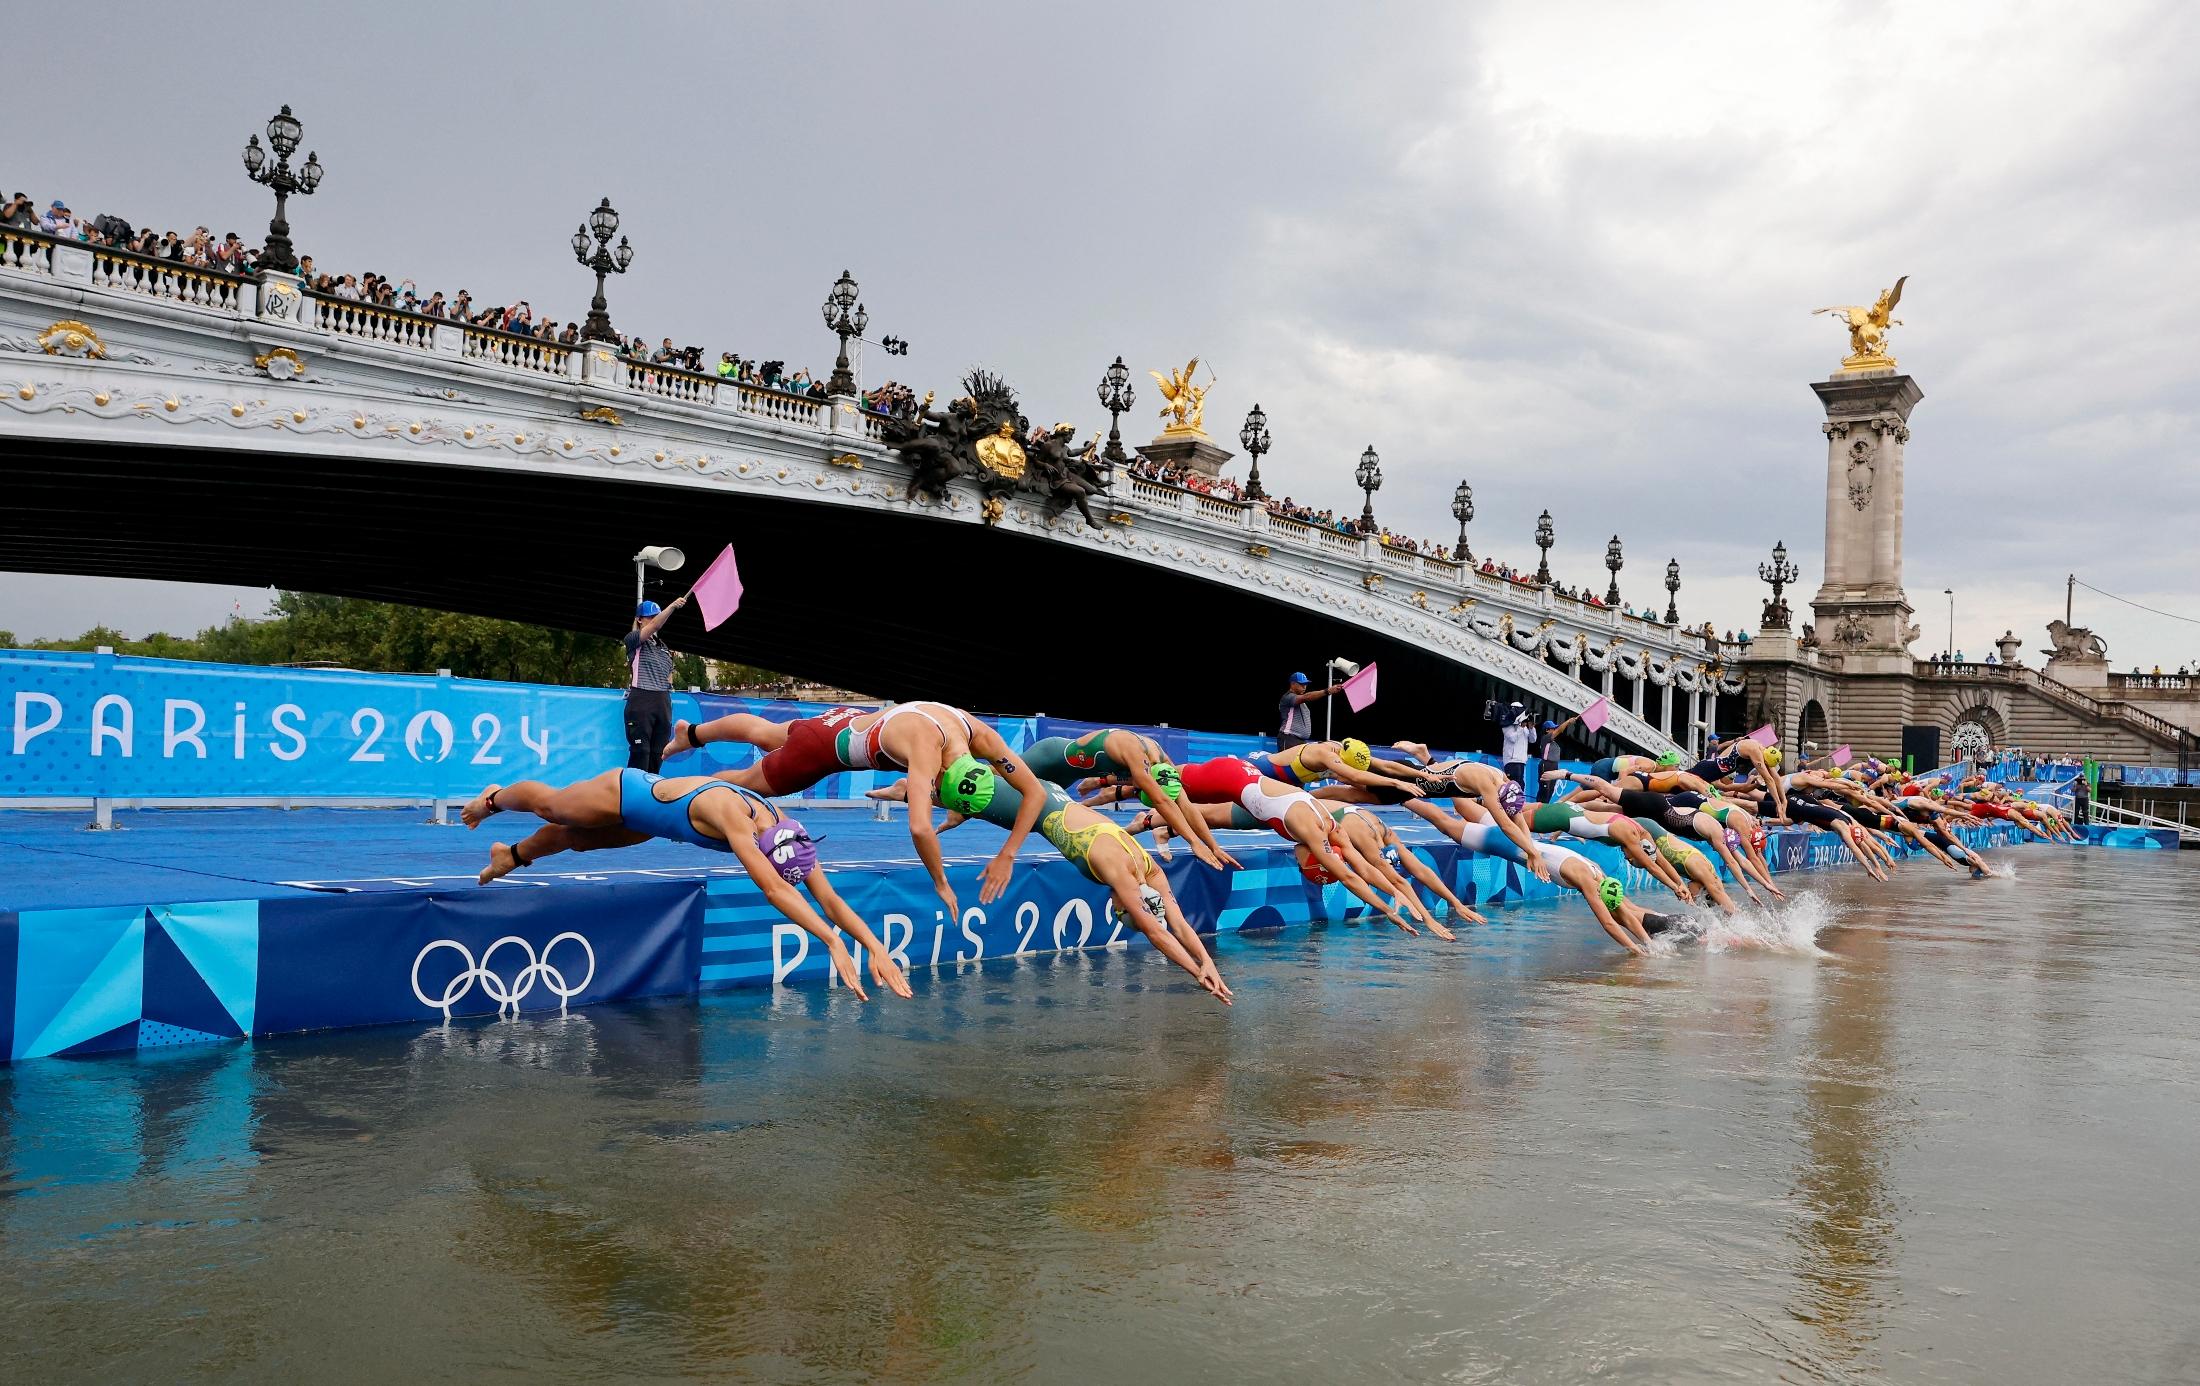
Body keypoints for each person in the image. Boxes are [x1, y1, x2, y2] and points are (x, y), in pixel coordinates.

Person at [460, 769, 912, 1000]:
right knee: (556, 810)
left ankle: (510, 856)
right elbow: (776, 892)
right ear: (764, 848)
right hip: (624, 791)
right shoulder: (735, 819)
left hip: (650, 822)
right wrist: (830, 942)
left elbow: (826, 895)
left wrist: (874, 946)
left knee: (575, 843)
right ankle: (493, 799)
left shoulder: (787, 831)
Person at [869, 767, 1233, 1005]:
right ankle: (907, 787)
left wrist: (1206, 962)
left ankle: (935, 799)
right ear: (1126, 904)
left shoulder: (1150, 871)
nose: (1115, 910)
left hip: (1053, 797)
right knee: (965, 790)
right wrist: (1195, 969)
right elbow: (1158, 932)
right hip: (1038, 805)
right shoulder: (1121, 876)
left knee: (969, 798)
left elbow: (1178, 923)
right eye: (1120, 913)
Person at [663, 702, 1052, 917]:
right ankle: (679, 796)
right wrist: (941, 882)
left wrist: (1009, 853)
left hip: (844, 719)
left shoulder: (975, 731)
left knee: (766, 733)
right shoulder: (927, 755)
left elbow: (1032, 792)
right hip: (820, 752)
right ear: (942, 774)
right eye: (937, 792)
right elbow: (919, 828)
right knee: (746, 785)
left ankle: (692, 733)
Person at [1023, 727, 1241, 871]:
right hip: (1050, 756)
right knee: (999, 773)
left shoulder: (1164, 764)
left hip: (1069, 775)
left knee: (1031, 808)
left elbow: (1185, 806)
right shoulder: (1136, 752)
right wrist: (1194, 842)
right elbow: (1163, 803)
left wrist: (1213, 846)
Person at [624, 595, 684, 773]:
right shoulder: (633, 639)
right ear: (639, 620)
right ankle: (632, 793)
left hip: (662, 701)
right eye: (650, 617)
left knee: (658, 752)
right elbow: (655, 626)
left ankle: (651, 793)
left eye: (655, 616)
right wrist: (672, 605)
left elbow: (669, 676)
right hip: (641, 698)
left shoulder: (664, 647)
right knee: (641, 752)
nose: (654, 620)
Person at [1276, 671, 1343, 750]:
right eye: (1301, 684)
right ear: (1292, 684)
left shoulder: (1300, 701)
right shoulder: (1288, 697)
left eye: (1306, 684)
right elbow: (1306, 697)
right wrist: (1328, 691)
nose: (1304, 687)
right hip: (1288, 739)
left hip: (1299, 741)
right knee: (1288, 762)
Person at [1533, 713, 1580, 800]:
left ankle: (1545, 808)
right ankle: (1538, 809)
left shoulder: (1553, 742)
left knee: (1550, 790)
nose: (1555, 730)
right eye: (1553, 728)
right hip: (1546, 765)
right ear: (1547, 730)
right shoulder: (1545, 738)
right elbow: (1559, 731)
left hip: (1554, 766)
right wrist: (1568, 722)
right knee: (1544, 790)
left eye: (1555, 728)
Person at [1498, 702, 1535, 787]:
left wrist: (1531, 728)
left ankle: (1519, 800)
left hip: (1521, 760)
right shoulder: (1506, 725)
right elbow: (1512, 738)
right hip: (1511, 760)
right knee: (1512, 785)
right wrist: (1520, 727)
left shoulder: (1525, 727)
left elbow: (1533, 740)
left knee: (1521, 785)